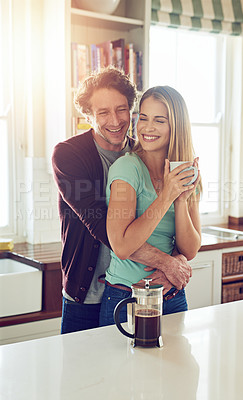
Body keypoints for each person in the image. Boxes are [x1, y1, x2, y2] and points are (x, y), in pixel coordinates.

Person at [52, 67, 193, 334]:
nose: (115, 121)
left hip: (143, 289)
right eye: (103, 112)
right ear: (88, 115)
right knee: (80, 374)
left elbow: (166, 226)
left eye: (121, 109)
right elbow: (103, 229)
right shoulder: (69, 155)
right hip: (88, 292)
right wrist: (168, 262)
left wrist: (176, 261)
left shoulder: (144, 154)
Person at [99, 85, 202, 327]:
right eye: (143, 118)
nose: (147, 127)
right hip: (126, 296)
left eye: (159, 120)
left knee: (176, 365)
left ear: (176, 127)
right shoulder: (128, 168)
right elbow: (122, 246)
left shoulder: (185, 172)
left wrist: (180, 198)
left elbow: (190, 249)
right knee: (124, 366)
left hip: (171, 295)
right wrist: (167, 195)